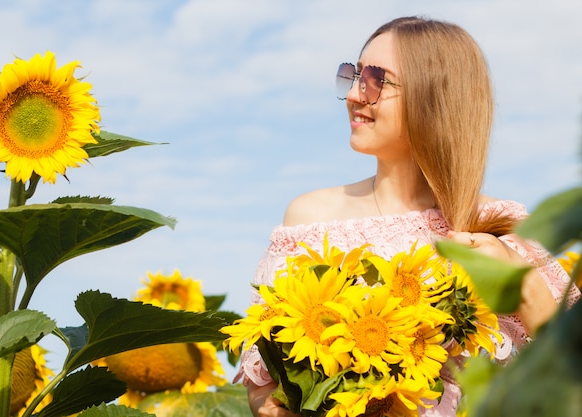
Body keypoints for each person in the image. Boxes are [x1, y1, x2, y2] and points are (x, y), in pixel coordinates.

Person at [236, 16, 581, 417]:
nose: (354, 94)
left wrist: (521, 286)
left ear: (435, 96)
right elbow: (263, 376)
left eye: (376, 79)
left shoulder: (500, 223)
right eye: (354, 75)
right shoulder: (310, 218)